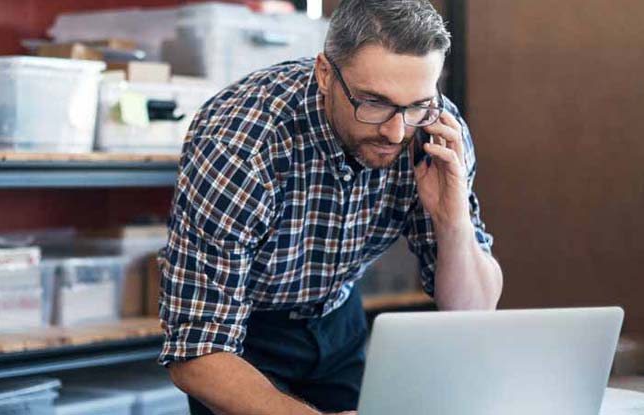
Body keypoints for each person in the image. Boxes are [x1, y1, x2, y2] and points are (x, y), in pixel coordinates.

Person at [157, 1, 504, 413]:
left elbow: (473, 311)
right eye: (373, 103)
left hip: (338, 316)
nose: (396, 132)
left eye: (416, 105)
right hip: (243, 336)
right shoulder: (240, 145)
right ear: (325, 73)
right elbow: (195, 353)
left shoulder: (434, 130)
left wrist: (453, 223)